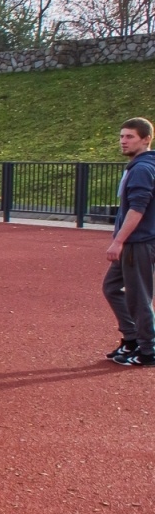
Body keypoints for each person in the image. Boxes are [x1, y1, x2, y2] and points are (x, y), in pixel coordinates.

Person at [105, 117, 155, 366]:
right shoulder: (139, 166)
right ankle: (132, 338)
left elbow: (138, 209)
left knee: (139, 297)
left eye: (130, 137)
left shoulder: (142, 169)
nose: (123, 141)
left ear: (146, 139)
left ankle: (149, 350)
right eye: (122, 136)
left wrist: (118, 241)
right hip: (136, 241)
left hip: (138, 242)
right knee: (112, 287)